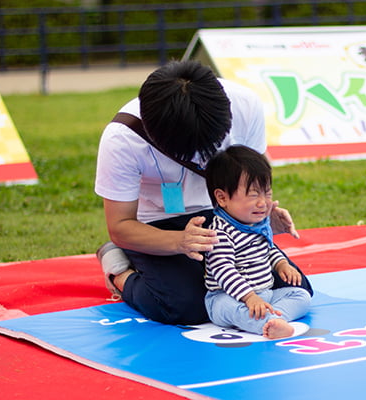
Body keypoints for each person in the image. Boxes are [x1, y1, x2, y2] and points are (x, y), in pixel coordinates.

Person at [94, 60, 313, 325]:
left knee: (295, 287)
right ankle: (120, 270)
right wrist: (179, 242)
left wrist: (260, 218)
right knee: (185, 307)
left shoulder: (245, 105)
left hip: (224, 215)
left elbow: (254, 178)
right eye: (190, 151)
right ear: (156, 134)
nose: (201, 158)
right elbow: (120, 225)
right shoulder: (122, 138)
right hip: (156, 224)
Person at [203, 145, 311, 339]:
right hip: (228, 297)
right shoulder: (220, 231)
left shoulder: (258, 223)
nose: (263, 202)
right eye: (253, 195)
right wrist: (249, 297)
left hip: (265, 293)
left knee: (301, 295)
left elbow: (268, 250)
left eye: (267, 193)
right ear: (222, 197)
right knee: (228, 308)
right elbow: (223, 271)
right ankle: (268, 321)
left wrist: (282, 264)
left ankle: (272, 319)